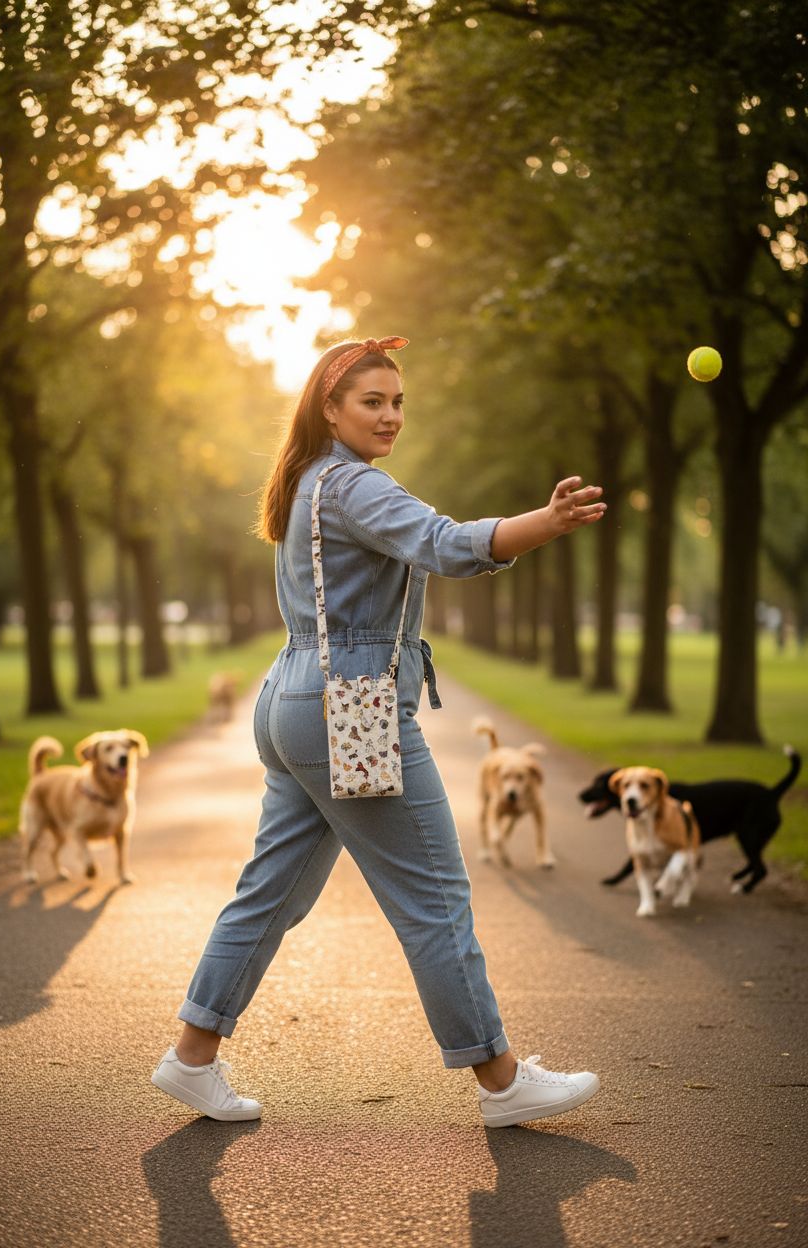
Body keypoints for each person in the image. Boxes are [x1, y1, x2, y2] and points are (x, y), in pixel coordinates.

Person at [151, 335, 607, 1128]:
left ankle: (192, 1056)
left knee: (269, 895)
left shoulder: (305, 482)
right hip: (349, 709)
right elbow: (445, 544)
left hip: (291, 698)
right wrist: (546, 522)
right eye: (372, 401)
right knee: (434, 898)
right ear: (330, 408)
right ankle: (501, 1080)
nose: (390, 415)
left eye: (397, 402)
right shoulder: (352, 486)